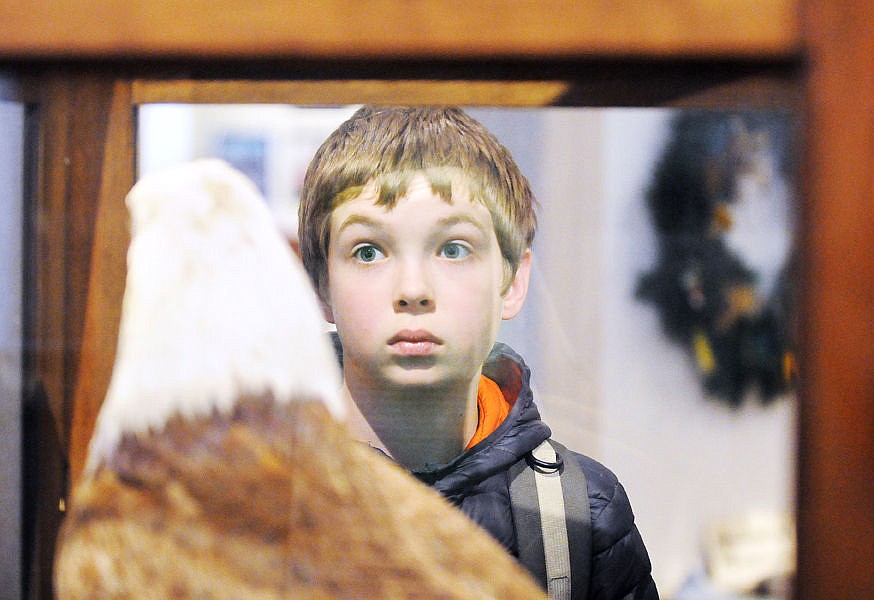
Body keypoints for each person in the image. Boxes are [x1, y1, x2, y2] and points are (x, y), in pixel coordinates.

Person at [297, 105, 658, 599]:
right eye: (368, 251)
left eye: (453, 248)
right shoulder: (247, 501)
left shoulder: (578, 515)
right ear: (321, 285)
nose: (413, 289)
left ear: (512, 280)